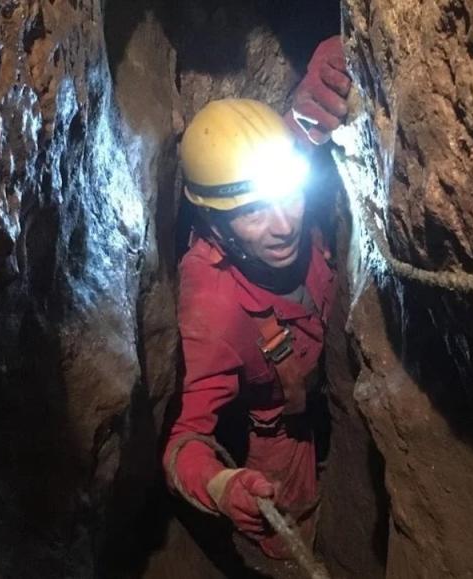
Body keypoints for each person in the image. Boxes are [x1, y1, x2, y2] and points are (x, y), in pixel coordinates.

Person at [162, 37, 351, 560]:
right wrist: (221, 486)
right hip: (279, 427)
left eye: (289, 195)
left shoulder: (267, 174)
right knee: (287, 538)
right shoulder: (213, 306)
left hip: (331, 361)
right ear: (215, 225)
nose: (285, 223)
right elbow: (184, 442)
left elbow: (291, 138)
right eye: (253, 214)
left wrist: (328, 76)